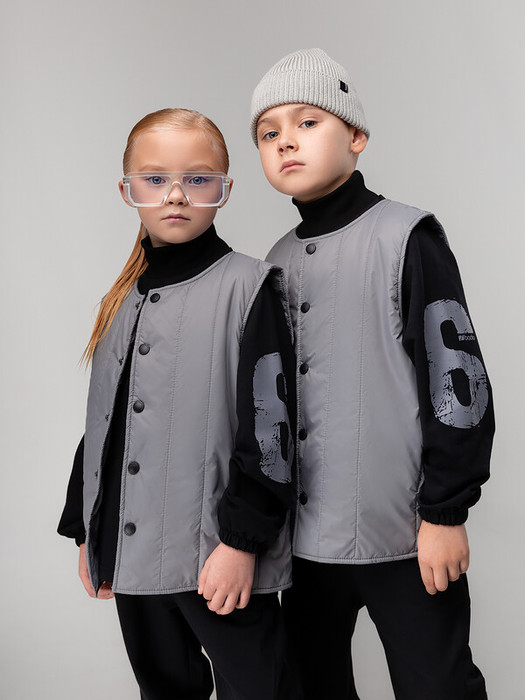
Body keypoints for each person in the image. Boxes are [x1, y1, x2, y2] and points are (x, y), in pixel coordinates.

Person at [250, 48, 495, 700]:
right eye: (268, 133)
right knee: (312, 686)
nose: (286, 141)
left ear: (356, 137)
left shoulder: (407, 236)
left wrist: (445, 512)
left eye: (307, 122)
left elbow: (458, 380)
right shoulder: (274, 263)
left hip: (405, 536)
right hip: (304, 546)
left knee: (436, 686)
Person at [58, 107, 301, 700]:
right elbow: (104, 425)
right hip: (134, 555)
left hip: (217, 560)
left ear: (224, 190)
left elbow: (271, 431)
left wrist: (241, 543)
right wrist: (89, 529)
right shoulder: (120, 300)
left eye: (197, 179)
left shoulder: (249, 286)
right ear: (127, 190)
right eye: (154, 179)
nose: (175, 195)